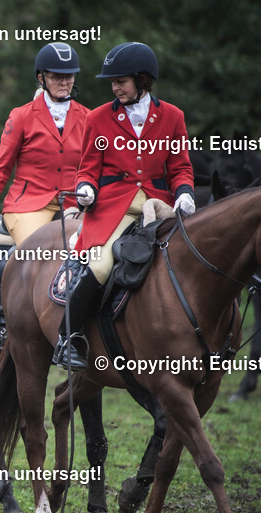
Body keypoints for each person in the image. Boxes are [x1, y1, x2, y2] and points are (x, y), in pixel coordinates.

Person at [54, 42, 194, 370]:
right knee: (101, 266)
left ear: (142, 80)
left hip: (159, 207)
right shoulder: (99, 118)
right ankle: (69, 337)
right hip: (115, 208)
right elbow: (87, 167)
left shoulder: (173, 116)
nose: (115, 87)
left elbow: (181, 167)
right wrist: (86, 188)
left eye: (121, 81)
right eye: (112, 82)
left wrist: (185, 192)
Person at [0, 43, 89, 246]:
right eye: (56, 77)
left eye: (69, 76)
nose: (64, 82)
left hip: (71, 204)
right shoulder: (21, 116)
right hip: (28, 205)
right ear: (41, 79)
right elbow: (0, 171)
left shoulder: (88, 117)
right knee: (36, 252)